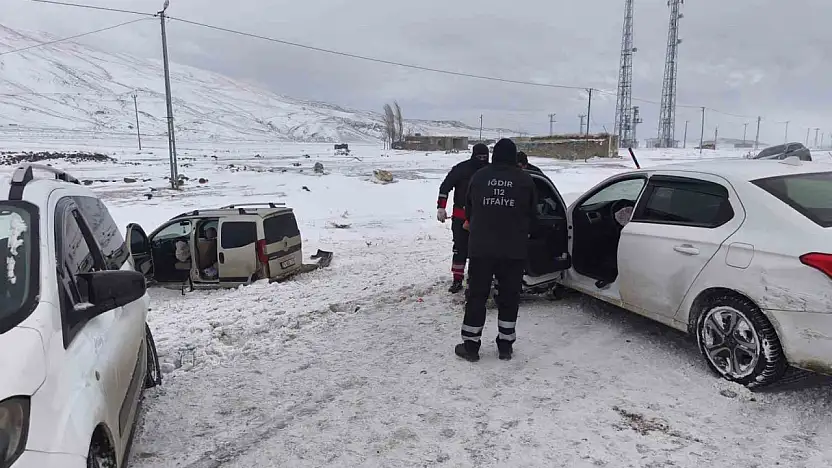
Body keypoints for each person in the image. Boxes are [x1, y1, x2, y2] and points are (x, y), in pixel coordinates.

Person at [455, 138, 537, 362]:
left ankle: (471, 346)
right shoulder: (525, 180)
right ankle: (505, 346)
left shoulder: (479, 177)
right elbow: (533, 214)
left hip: (482, 249)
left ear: (494, 155)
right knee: (509, 297)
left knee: (477, 296)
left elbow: (469, 211)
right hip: (513, 251)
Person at [436, 143, 490, 293]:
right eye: (479, 156)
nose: (482, 159)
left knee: (480, 251)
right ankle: (457, 280)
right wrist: (441, 207)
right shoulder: (461, 169)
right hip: (461, 216)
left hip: (483, 219)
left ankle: (477, 279)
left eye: (484, 157)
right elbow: (445, 187)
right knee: (460, 248)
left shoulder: (491, 171)